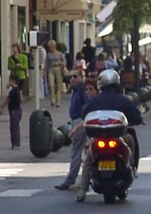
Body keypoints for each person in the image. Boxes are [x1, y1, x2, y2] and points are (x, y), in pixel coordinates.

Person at [71, 69, 144, 202]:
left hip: (98, 137)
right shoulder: (123, 100)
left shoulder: (95, 101)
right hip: (118, 137)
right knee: (131, 140)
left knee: (88, 160)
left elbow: (84, 115)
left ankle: (83, 190)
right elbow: (136, 116)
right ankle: (132, 166)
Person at [54, 69, 90, 191]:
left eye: (75, 76)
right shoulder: (77, 89)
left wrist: (80, 119)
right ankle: (84, 180)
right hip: (78, 121)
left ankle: (70, 180)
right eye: (70, 77)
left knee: (76, 152)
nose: (72, 79)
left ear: (81, 77)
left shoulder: (81, 89)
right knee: (83, 152)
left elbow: (88, 104)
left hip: (79, 122)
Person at [0, 75, 22, 149]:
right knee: (16, 127)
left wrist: (2, 107)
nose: (9, 82)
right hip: (18, 110)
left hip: (14, 111)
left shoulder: (13, 91)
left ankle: (15, 143)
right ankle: (17, 143)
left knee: (14, 127)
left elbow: (7, 100)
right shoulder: (17, 90)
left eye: (10, 81)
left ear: (13, 81)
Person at [44, 39, 65, 108]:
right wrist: (45, 72)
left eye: (51, 46)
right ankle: (52, 99)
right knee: (51, 85)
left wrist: (60, 63)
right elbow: (46, 63)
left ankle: (58, 101)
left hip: (58, 68)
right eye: (49, 47)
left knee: (58, 85)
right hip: (51, 69)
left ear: (55, 46)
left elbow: (64, 61)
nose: (50, 48)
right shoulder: (48, 55)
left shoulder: (60, 54)